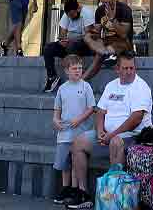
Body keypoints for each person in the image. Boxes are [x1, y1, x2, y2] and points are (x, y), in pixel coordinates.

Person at [79, 51, 151, 170]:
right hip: (107, 134)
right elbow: (100, 112)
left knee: (115, 143)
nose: (129, 72)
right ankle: (80, 188)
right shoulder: (111, 86)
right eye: (125, 68)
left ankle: (115, 186)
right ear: (117, 69)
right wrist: (100, 132)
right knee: (78, 142)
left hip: (132, 136)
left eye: (132, 68)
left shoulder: (141, 87)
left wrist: (112, 135)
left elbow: (136, 119)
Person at [51, 54, 97, 207]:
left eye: (80, 68)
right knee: (64, 163)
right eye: (74, 68)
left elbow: (91, 108)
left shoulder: (86, 87)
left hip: (80, 133)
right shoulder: (62, 89)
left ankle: (75, 188)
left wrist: (80, 119)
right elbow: (57, 109)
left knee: (75, 161)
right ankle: (65, 188)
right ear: (66, 71)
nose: (78, 71)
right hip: (65, 133)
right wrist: (56, 120)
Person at [42, 0, 92, 93]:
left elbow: (88, 35)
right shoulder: (67, 14)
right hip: (69, 43)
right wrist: (62, 41)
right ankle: (52, 77)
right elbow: (63, 33)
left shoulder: (87, 13)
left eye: (72, 15)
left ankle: (75, 80)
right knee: (48, 48)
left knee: (72, 46)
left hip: (84, 44)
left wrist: (72, 40)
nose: (71, 17)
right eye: (69, 16)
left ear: (78, 9)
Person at [89, 0, 134, 66]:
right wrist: (92, 32)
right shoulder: (100, 10)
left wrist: (112, 18)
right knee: (87, 36)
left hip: (122, 43)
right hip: (106, 41)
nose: (105, 0)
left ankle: (106, 53)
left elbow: (123, 34)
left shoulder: (124, 9)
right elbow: (97, 32)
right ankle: (105, 53)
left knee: (101, 55)